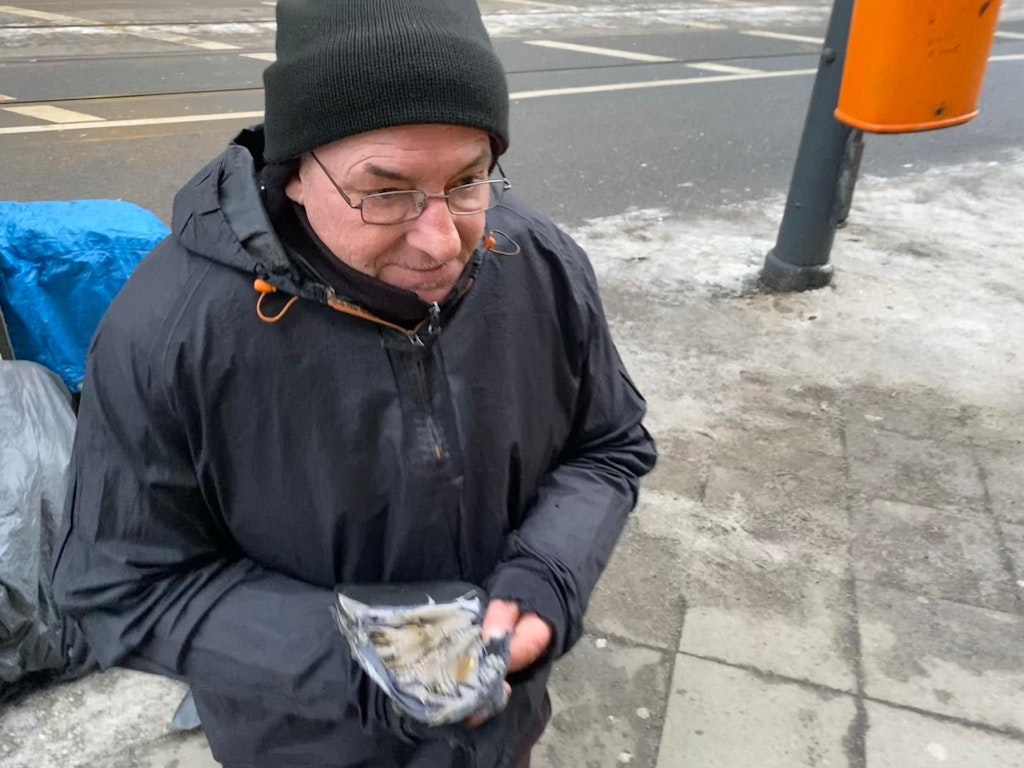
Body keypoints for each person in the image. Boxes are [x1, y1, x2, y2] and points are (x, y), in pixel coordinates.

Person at [51, 1, 657, 766]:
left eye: (469, 179)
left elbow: (608, 445)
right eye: (387, 190)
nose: (442, 241)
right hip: (302, 744)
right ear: (297, 171)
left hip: (502, 730)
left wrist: (547, 574)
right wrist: (373, 662)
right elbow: (120, 584)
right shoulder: (172, 331)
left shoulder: (537, 263)